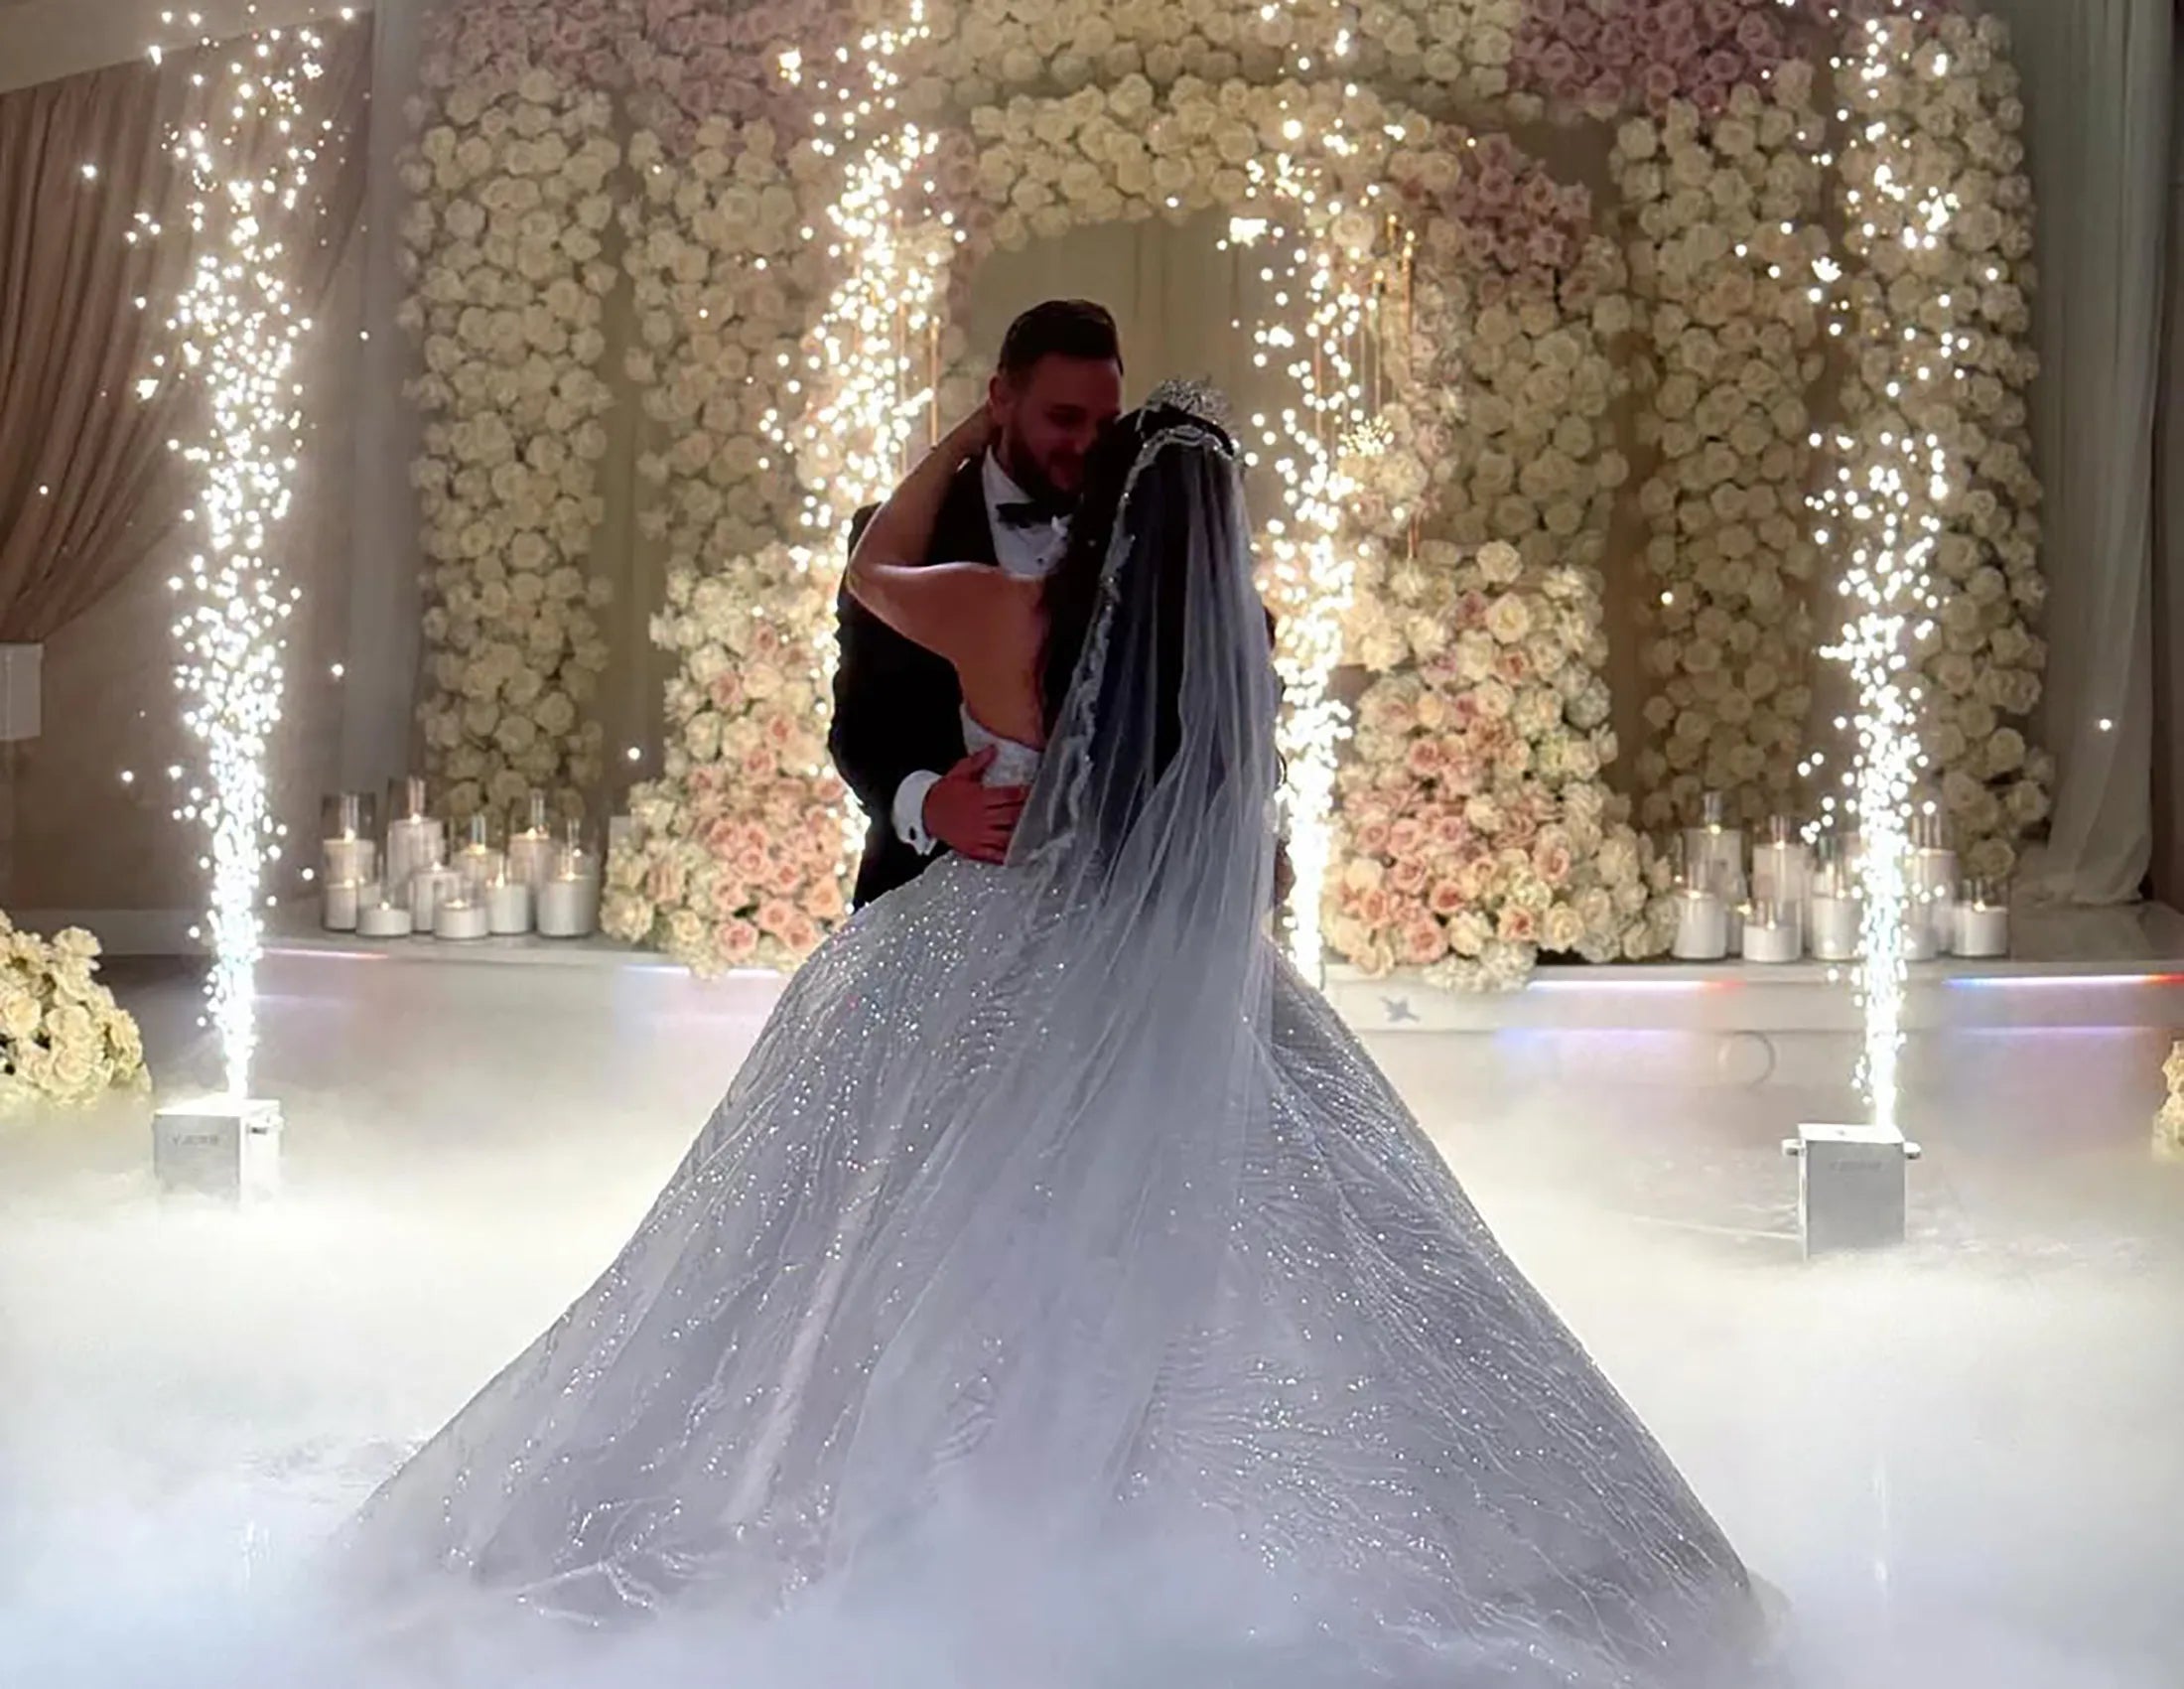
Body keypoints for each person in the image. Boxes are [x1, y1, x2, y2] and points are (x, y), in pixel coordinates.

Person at [343, 386, 1771, 1687]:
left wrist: (960, 438)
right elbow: (1255, 874)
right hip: (1187, 986)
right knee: (1242, 1263)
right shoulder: (1241, 652)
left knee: (875, 1251)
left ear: (1107, 506)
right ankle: (1144, 1534)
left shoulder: (1000, 615)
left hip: (974, 960)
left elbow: (863, 574)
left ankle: (916, 1508)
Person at [830, 298, 1125, 910]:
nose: (1087, 445)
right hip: (921, 901)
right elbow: (858, 722)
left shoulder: (1138, 534)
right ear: (1000, 399)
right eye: (1064, 418)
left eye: (1105, 424)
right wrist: (928, 802)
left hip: (1103, 917)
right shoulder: (906, 538)